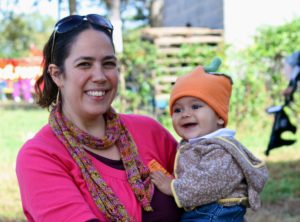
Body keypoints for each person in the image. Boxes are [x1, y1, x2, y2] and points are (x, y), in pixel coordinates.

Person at [16, 14, 182, 222]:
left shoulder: (150, 132)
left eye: (108, 63)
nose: (100, 76)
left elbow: (207, 191)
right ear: (57, 74)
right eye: (85, 64)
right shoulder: (41, 156)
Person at [150, 62, 269, 221]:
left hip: (216, 212)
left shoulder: (220, 150)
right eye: (178, 109)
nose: (185, 114)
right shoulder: (195, 145)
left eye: (195, 106)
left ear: (219, 116)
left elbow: (210, 183)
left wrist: (173, 188)